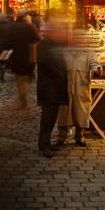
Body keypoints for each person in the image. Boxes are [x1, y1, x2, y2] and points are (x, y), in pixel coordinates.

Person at [56, 35, 102, 147]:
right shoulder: (63, 52)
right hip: (65, 87)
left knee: (81, 112)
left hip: (81, 88)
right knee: (64, 112)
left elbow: (95, 64)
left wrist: (97, 70)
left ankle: (79, 136)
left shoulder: (89, 53)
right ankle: (61, 137)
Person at [35, 21, 69, 157]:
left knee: (53, 116)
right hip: (48, 86)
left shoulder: (56, 44)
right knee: (47, 118)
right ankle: (43, 144)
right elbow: (46, 63)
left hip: (56, 86)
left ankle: (47, 143)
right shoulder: (43, 44)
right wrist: (59, 74)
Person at [7, 12, 40, 110]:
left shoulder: (12, 27)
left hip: (16, 56)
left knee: (20, 79)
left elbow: (7, 41)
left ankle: (22, 100)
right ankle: (23, 101)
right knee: (24, 79)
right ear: (25, 17)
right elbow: (37, 38)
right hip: (28, 55)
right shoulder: (29, 27)